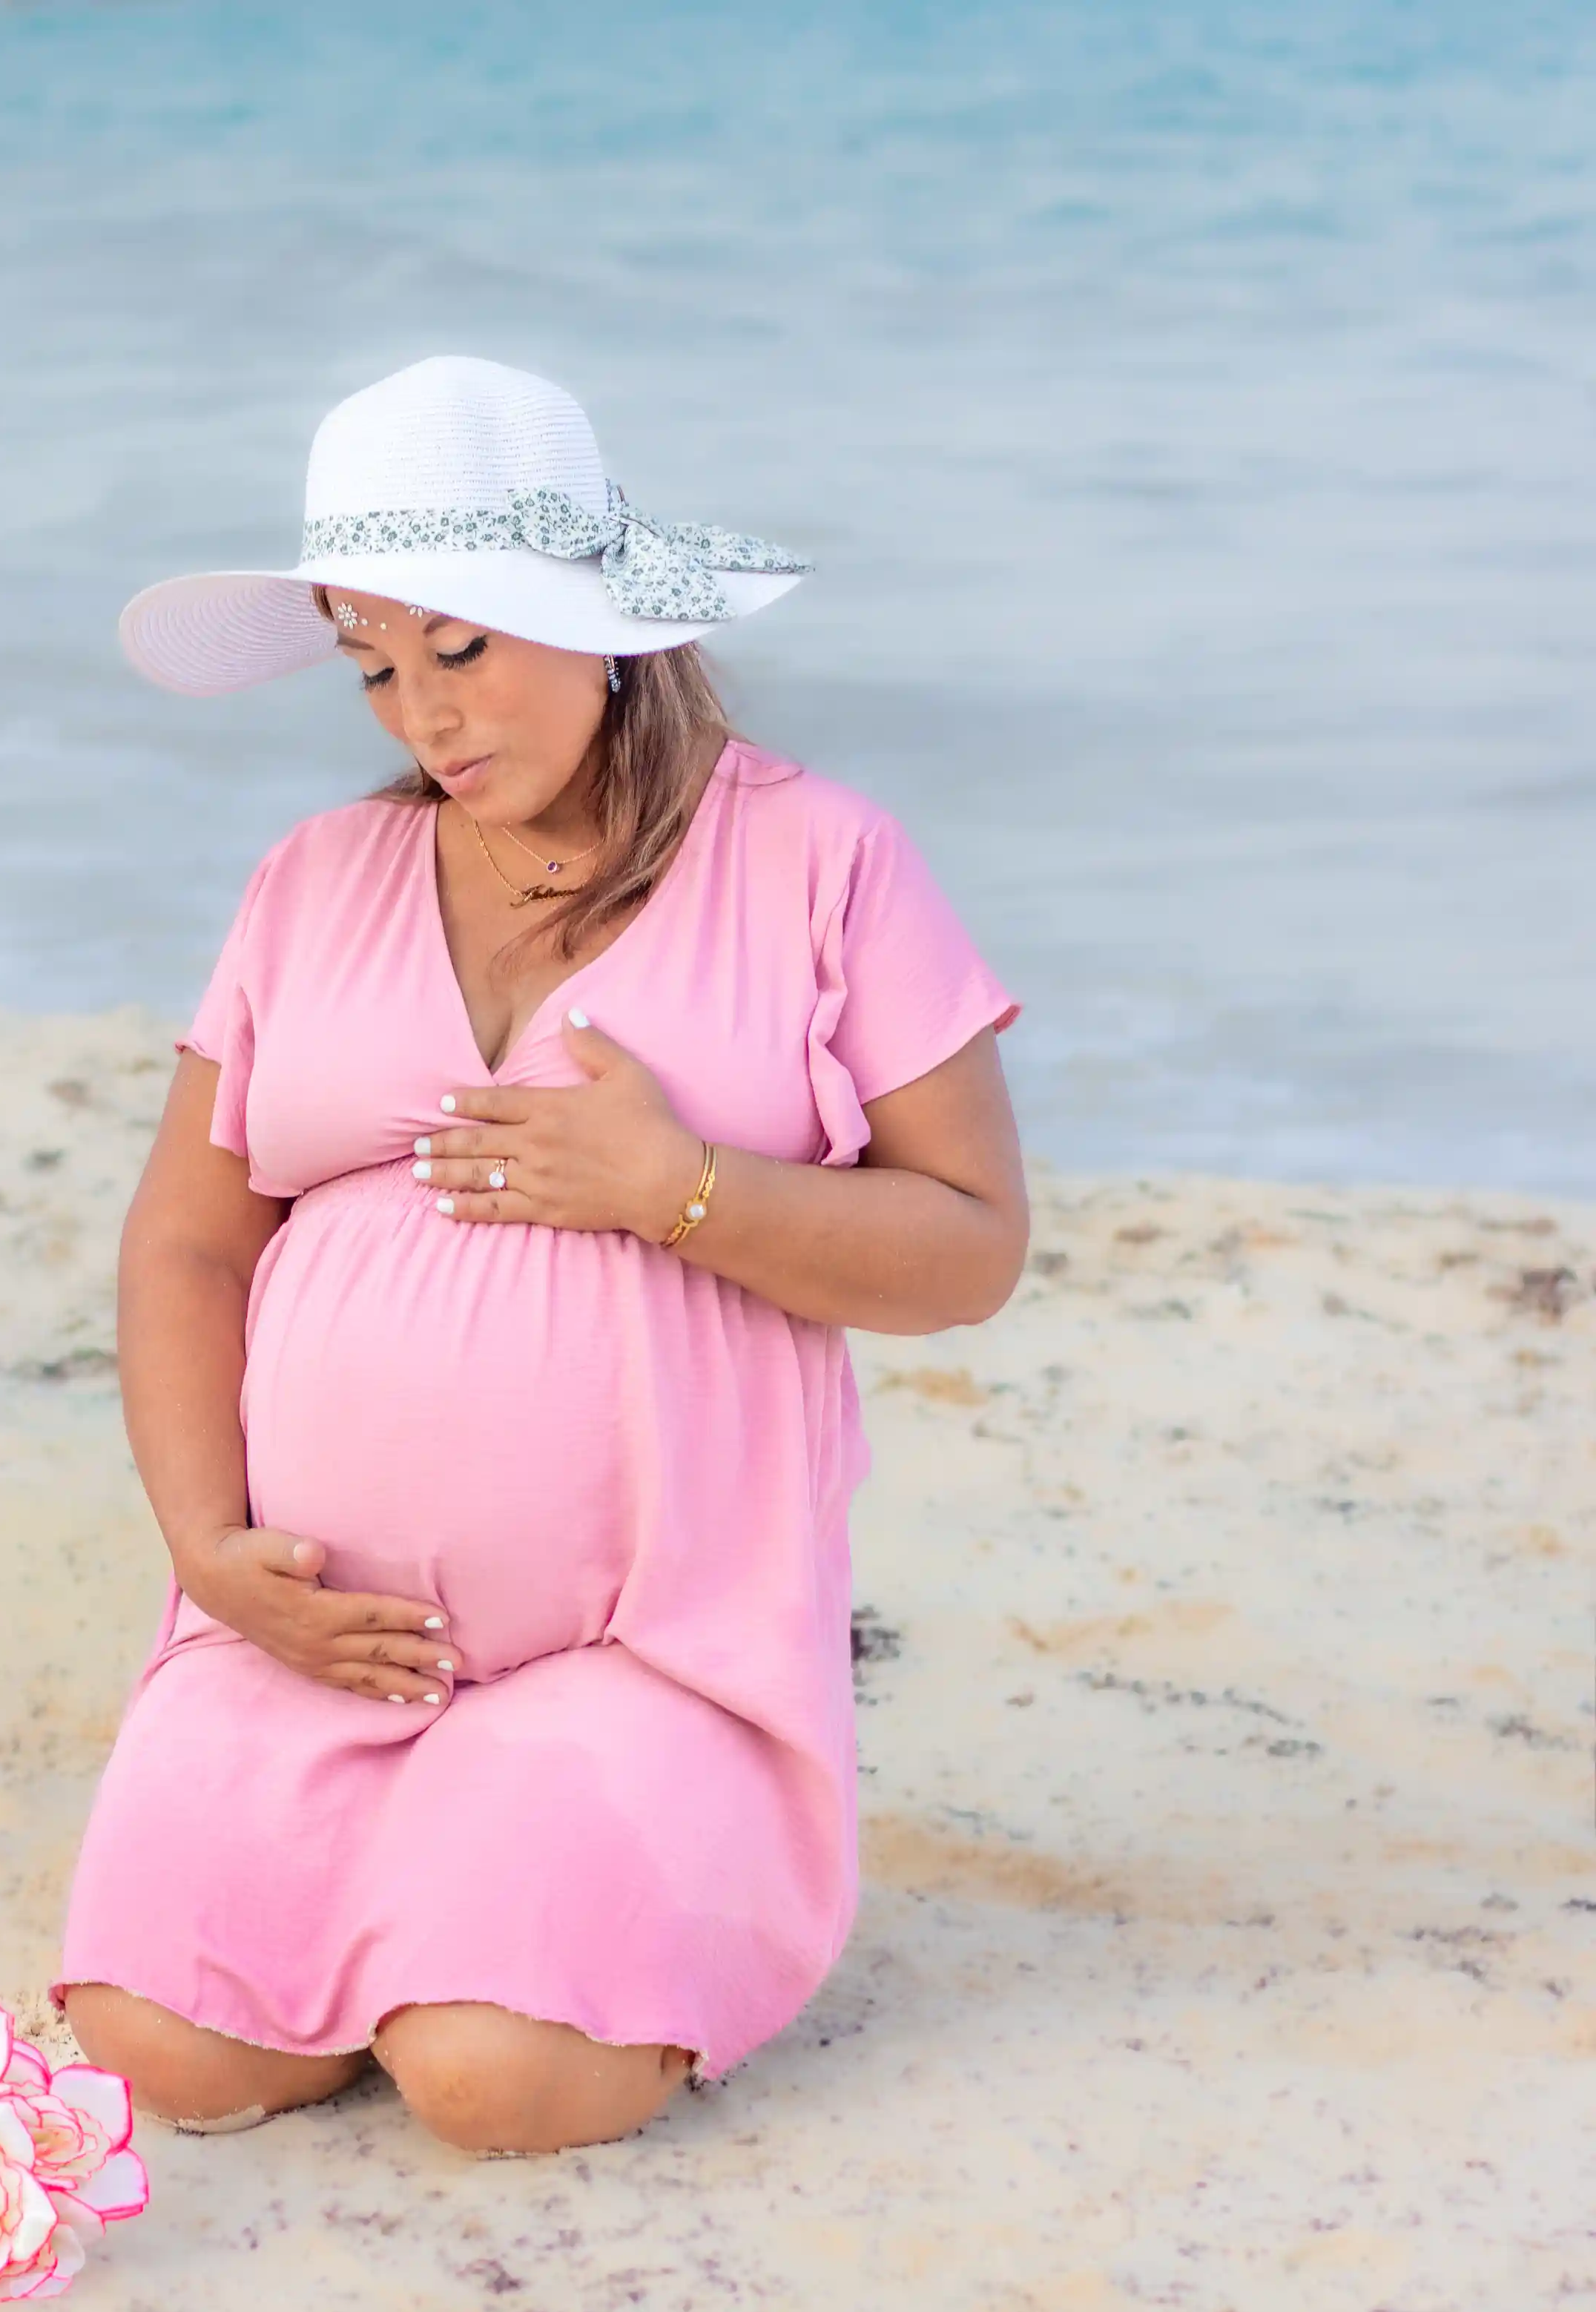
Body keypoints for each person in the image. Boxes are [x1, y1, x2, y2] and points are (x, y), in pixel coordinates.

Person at [56, 355, 1027, 2157]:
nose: (420, 713)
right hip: (320, 1637)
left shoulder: (821, 858)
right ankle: (403, 1868)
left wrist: (684, 1191)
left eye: (461, 645)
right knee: (158, 2058)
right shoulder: (310, 880)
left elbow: (970, 1247)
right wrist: (209, 1552)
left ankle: (531, 1875)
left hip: (646, 1644)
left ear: (597, 620)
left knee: (505, 2083)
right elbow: (188, 1246)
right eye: (370, 664)